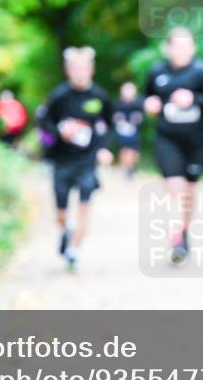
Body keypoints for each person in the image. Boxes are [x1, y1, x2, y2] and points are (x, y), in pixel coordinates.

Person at [144, 27, 203, 264]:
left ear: (193, 48)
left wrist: (194, 99)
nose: (181, 50)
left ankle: (184, 234)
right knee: (174, 188)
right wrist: (149, 104)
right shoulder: (157, 71)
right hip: (167, 138)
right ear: (167, 48)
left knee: (189, 192)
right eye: (176, 45)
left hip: (195, 141)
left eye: (186, 45)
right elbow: (145, 97)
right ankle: (176, 240)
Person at [37, 47, 114, 270]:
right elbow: (44, 123)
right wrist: (61, 131)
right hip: (62, 161)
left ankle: (73, 251)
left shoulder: (99, 96)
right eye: (75, 69)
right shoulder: (59, 96)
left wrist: (104, 149)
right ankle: (66, 229)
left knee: (85, 207)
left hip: (87, 161)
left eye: (84, 69)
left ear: (92, 70)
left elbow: (110, 125)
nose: (80, 73)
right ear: (68, 71)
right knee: (60, 213)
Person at [112, 81, 144, 180]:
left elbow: (142, 117)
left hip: (135, 133)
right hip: (122, 133)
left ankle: (131, 167)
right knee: (124, 151)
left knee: (134, 153)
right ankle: (125, 170)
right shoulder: (117, 104)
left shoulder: (139, 104)